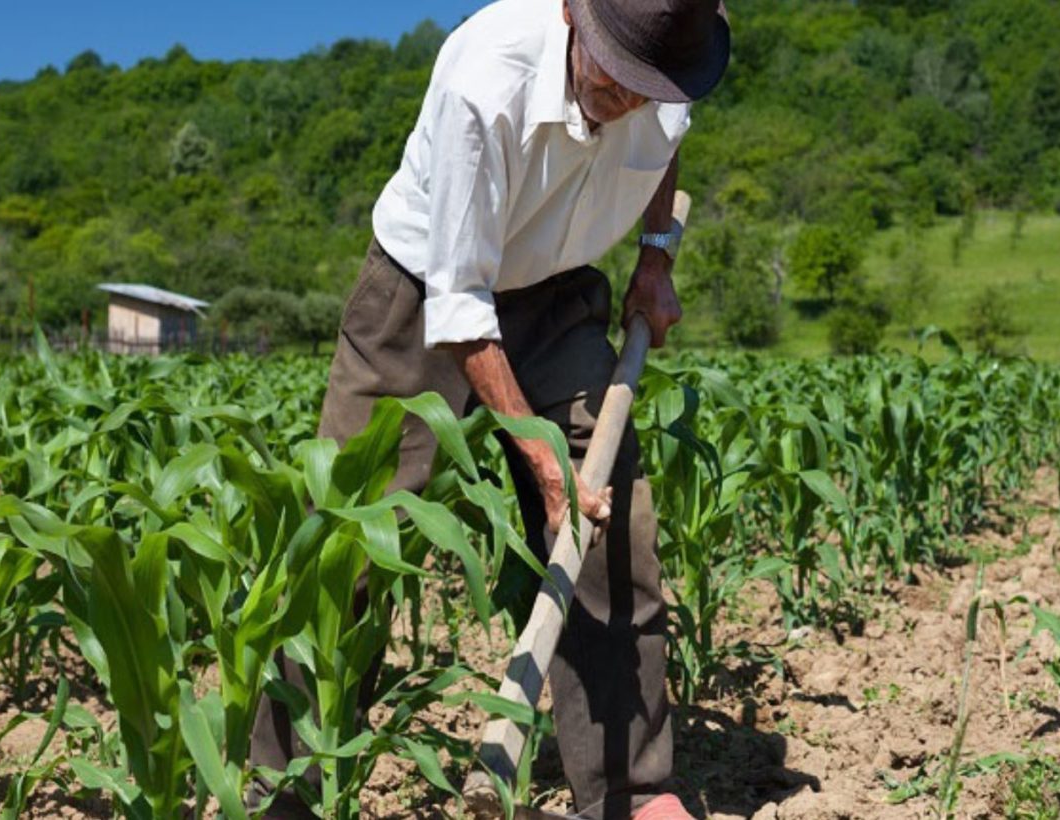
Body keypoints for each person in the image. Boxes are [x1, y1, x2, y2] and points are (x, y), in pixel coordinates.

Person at [249, 1, 729, 818]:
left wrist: (654, 259)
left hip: (557, 286)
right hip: (426, 292)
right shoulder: (486, 78)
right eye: (615, 71)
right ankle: (284, 793)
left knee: (611, 523)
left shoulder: (670, 60)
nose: (627, 97)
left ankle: (630, 793)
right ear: (574, 11)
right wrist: (545, 466)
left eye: (647, 86)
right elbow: (462, 306)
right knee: (348, 542)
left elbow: (664, 145)